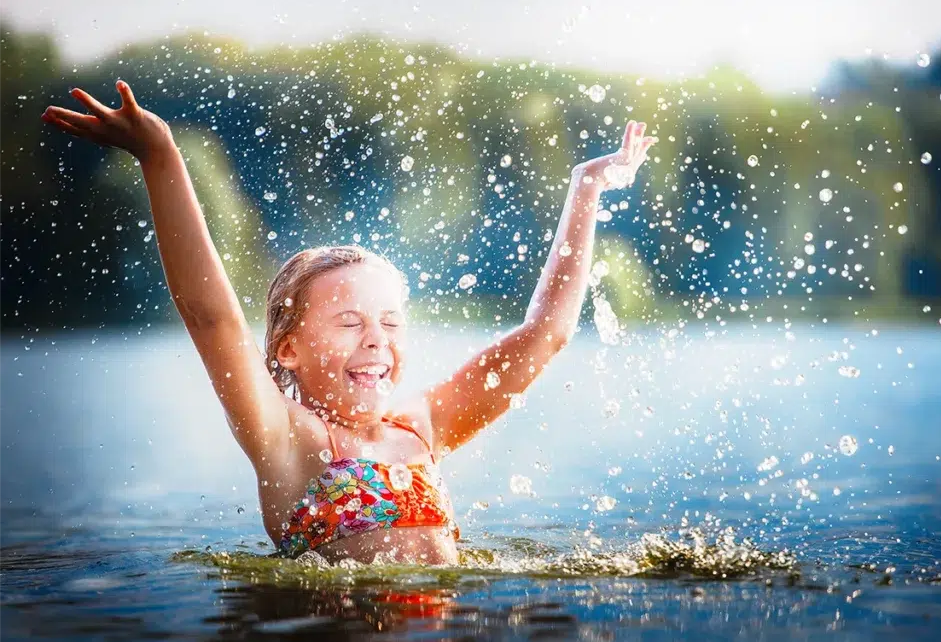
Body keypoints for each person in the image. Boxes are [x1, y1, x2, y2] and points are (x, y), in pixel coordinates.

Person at [41, 81, 657, 565]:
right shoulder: (286, 439)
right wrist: (161, 156)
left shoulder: (423, 428)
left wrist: (586, 188)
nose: (376, 341)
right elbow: (211, 316)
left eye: (391, 322)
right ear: (287, 349)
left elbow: (544, 334)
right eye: (349, 322)